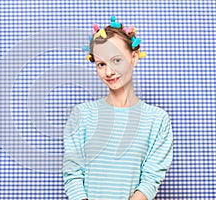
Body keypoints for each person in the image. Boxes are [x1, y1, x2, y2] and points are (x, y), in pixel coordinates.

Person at [62, 16, 173, 200]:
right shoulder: (81, 115)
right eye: (101, 64)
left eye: (116, 60)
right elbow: (73, 172)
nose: (109, 72)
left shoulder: (157, 120)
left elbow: (151, 179)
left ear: (134, 57)